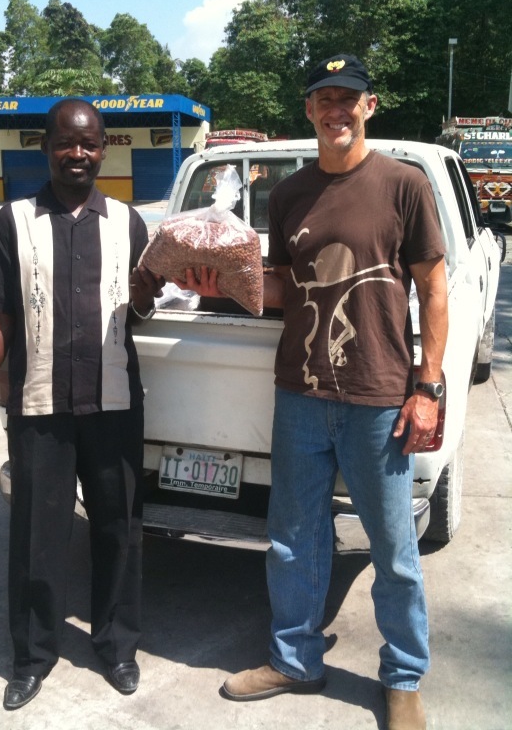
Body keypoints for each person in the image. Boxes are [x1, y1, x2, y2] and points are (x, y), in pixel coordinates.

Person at [181, 54, 447, 730]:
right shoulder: (292, 193)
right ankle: (296, 659)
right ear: (309, 110)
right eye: (323, 98)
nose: (335, 109)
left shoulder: (404, 184)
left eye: (347, 98)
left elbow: (433, 288)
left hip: (378, 395)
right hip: (299, 393)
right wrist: (226, 283)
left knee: (393, 549)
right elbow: (280, 287)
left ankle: (404, 678)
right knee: (293, 538)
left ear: (369, 106)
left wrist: (428, 387)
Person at [0, 98, 163, 711]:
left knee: (119, 531)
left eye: (89, 143)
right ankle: (32, 656)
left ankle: (117, 646)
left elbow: (142, 310)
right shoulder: (12, 221)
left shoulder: (128, 223)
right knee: (35, 537)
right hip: (38, 406)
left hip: (113, 403)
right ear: (46, 146)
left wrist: (156, 287)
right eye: (65, 142)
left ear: (105, 149)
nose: (78, 153)